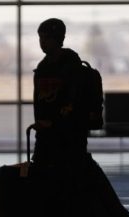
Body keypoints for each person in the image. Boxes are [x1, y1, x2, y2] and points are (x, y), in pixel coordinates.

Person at [32, 18, 90, 168]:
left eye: (47, 38)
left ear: (58, 39)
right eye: (41, 38)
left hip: (69, 135)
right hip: (47, 134)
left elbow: (75, 101)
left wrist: (53, 122)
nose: (42, 42)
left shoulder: (71, 67)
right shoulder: (43, 67)